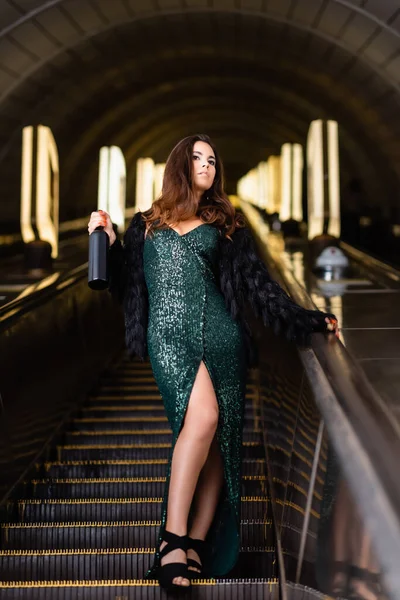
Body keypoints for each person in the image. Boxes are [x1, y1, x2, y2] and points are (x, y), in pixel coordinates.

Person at [88, 134, 339, 592]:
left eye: (211, 160)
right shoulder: (145, 223)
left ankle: (198, 543)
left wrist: (311, 320)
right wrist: (105, 240)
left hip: (222, 339)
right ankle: (171, 541)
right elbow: (125, 286)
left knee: (221, 439)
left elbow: (260, 288)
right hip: (169, 340)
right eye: (197, 158)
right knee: (201, 419)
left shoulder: (227, 224)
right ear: (179, 165)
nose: (206, 165)